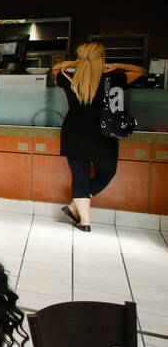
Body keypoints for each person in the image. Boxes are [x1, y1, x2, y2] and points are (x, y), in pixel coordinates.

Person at [53, 42, 145, 232]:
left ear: (80, 57)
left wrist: (79, 63)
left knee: (80, 176)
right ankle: (72, 208)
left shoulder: (67, 76)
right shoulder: (113, 77)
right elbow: (141, 70)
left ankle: (85, 222)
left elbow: (55, 67)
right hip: (103, 133)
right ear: (102, 58)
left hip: (75, 132)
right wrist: (118, 65)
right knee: (106, 173)